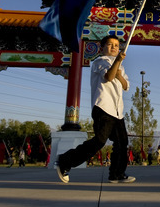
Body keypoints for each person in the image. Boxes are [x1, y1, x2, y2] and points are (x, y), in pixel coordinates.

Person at [55, 35, 135, 183]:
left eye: (116, 45)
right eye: (110, 45)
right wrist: (117, 63)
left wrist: (119, 73)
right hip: (103, 108)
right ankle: (64, 161)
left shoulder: (121, 67)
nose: (113, 48)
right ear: (102, 47)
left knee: (122, 143)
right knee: (99, 141)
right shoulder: (99, 62)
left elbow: (125, 86)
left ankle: (116, 174)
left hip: (118, 111)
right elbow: (109, 77)